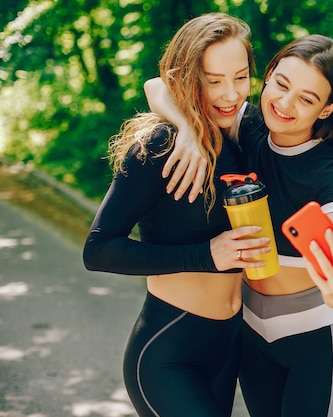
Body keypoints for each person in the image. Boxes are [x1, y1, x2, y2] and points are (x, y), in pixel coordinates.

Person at [145, 34, 333, 417]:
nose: (284, 103)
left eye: (307, 99)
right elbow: (158, 86)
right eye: (281, 84)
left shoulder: (331, 172)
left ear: (328, 109)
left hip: (314, 337)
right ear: (268, 75)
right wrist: (187, 131)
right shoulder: (246, 126)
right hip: (249, 333)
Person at [82, 13, 272, 417]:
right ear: (188, 77)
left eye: (240, 77)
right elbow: (98, 250)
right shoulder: (161, 145)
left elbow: (157, 84)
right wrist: (207, 255)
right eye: (213, 80)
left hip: (228, 348)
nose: (230, 94)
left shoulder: (242, 133)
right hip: (169, 351)